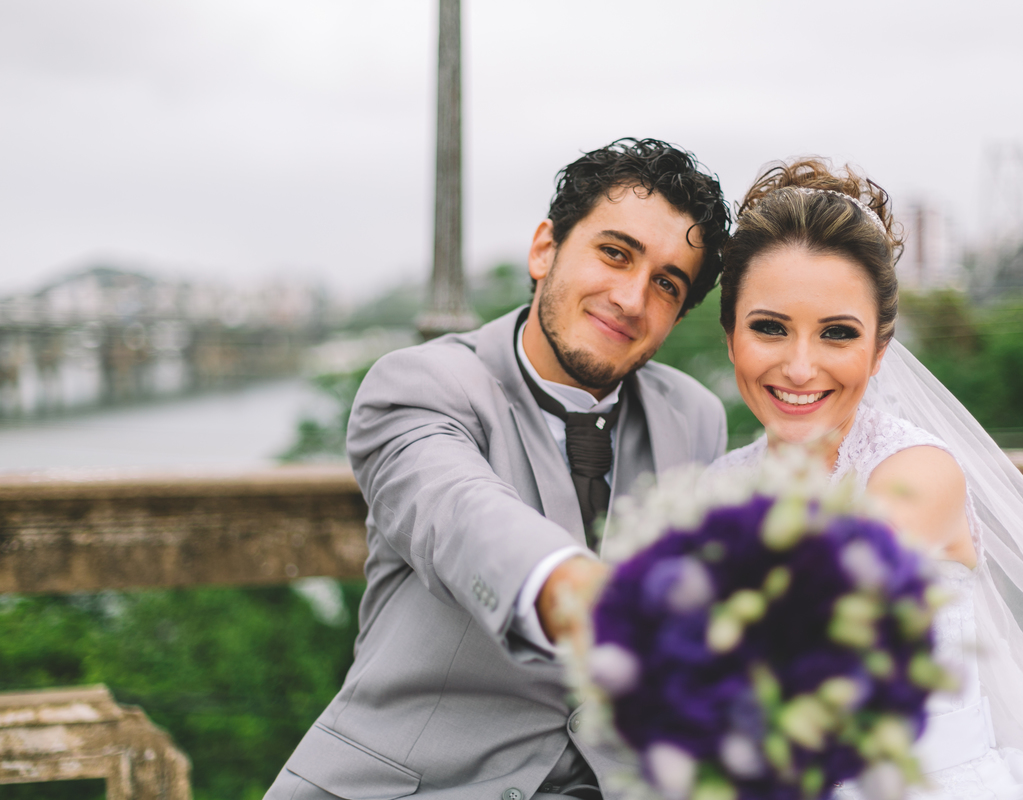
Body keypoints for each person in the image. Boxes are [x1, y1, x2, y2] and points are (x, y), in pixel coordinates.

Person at [708, 158, 1023, 799]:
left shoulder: (916, 471)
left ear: (879, 351)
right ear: (730, 339)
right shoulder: (721, 483)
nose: (800, 367)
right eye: (770, 328)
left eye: (837, 334)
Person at [263, 138, 730, 800]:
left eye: (665, 284)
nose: (630, 299)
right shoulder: (420, 383)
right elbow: (460, 512)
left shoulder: (695, 418)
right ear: (545, 250)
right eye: (615, 253)